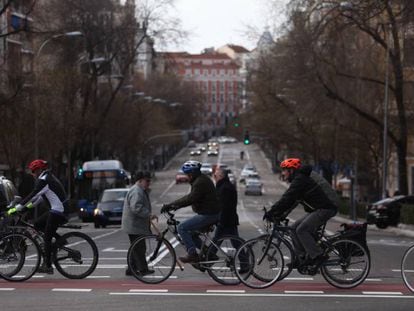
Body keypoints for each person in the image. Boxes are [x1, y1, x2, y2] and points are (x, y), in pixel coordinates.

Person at [264, 158, 338, 268]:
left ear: (291, 170)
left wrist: (272, 212)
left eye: (284, 170)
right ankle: (302, 258)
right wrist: (280, 215)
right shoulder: (300, 179)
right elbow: (293, 202)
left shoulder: (300, 180)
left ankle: (317, 256)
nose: (283, 173)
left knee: (302, 229)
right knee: (293, 228)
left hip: (326, 208)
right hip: (319, 208)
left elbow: (287, 198)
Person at [13, 159, 68, 274]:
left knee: (47, 238)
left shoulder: (44, 180)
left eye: (33, 171)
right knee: (37, 224)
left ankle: (47, 266)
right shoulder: (47, 177)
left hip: (58, 210)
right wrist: (26, 208)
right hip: (56, 209)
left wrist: (19, 206)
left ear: (39, 170)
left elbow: (34, 194)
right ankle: (60, 241)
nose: (33, 174)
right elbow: (40, 198)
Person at [161, 160, 220, 263]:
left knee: (182, 228)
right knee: (192, 233)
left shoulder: (200, 183)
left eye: (187, 174)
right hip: (211, 213)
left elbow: (190, 198)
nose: (187, 177)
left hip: (209, 214)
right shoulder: (201, 180)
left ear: (192, 174)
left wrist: (172, 205)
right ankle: (209, 254)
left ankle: (192, 254)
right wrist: (174, 206)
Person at [122, 171, 156, 276]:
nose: (149, 183)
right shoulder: (137, 191)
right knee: (140, 248)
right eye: (147, 181)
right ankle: (142, 269)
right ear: (140, 180)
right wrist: (148, 215)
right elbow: (136, 207)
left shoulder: (139, 190)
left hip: (135, 225)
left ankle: (131, 269)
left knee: (136, 247)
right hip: (134, 225)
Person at [212, 167, 239, 239]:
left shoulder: (225, 188)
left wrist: (221, 221)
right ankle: (244, 250)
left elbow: (224, 206)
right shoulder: (224, 186)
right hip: (228, 220)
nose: (214, 178)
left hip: (226, 220)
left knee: (216, 242)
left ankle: (245, 250)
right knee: (236, 242)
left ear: (221, 176)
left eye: (215, 176)